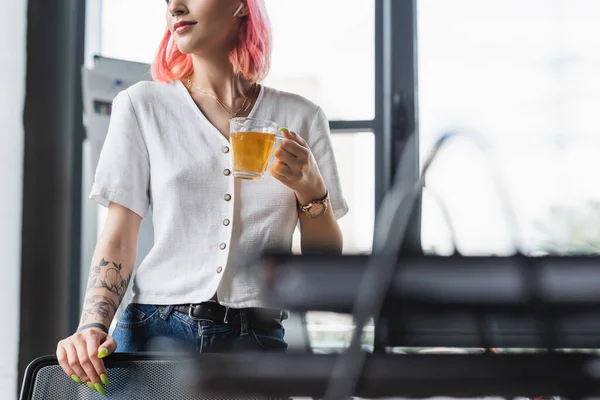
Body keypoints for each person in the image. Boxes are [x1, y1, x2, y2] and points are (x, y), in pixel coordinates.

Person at [56, 0, 348, 395]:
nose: (175, 6)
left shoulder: (302, 117)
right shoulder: (142, 106)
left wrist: (313, 192)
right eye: (167, 0)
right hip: (153, 334)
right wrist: (92, 326)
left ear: (242, 6)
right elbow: (118, 237)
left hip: (257, 342)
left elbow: (322, 266)